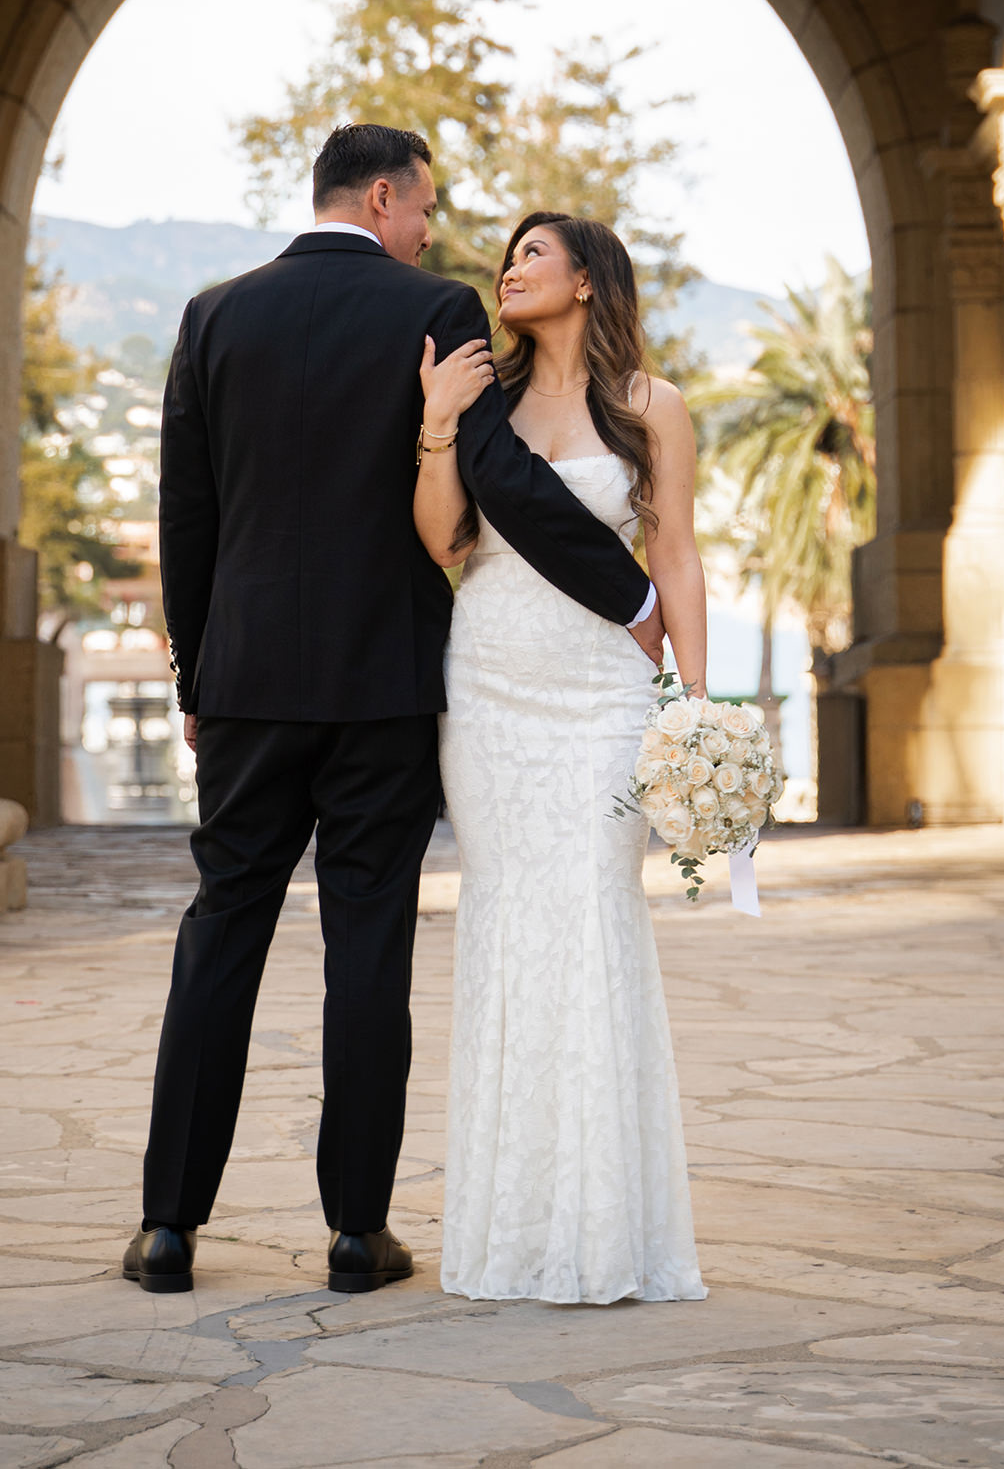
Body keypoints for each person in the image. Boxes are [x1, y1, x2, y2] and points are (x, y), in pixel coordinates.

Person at [126, 123, 665, 1301]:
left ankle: (168, 1225)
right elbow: (505, 480)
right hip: (382, 689)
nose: (428, 228)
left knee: (223, 930)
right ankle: (357, 1232)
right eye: (422, 206)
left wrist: (194, 680)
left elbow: (188, 516)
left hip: (250, 687)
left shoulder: (212, 315)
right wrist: (628, 588)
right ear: (382, 195)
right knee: (366, 945)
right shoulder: (436, 305)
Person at [416, 210, 709, 1304]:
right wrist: (439, 426)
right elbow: (443, 539)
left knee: (590, 911)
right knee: (505, 920)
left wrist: (695, 702)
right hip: (487, 683)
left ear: (587, 278)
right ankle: (511, 1225)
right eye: (507, 253)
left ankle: (604, 1226)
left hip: (599, 691)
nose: (509, 265)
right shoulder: (478, 398)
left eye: (534, 251)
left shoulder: (650, 405)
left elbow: (673, 546)